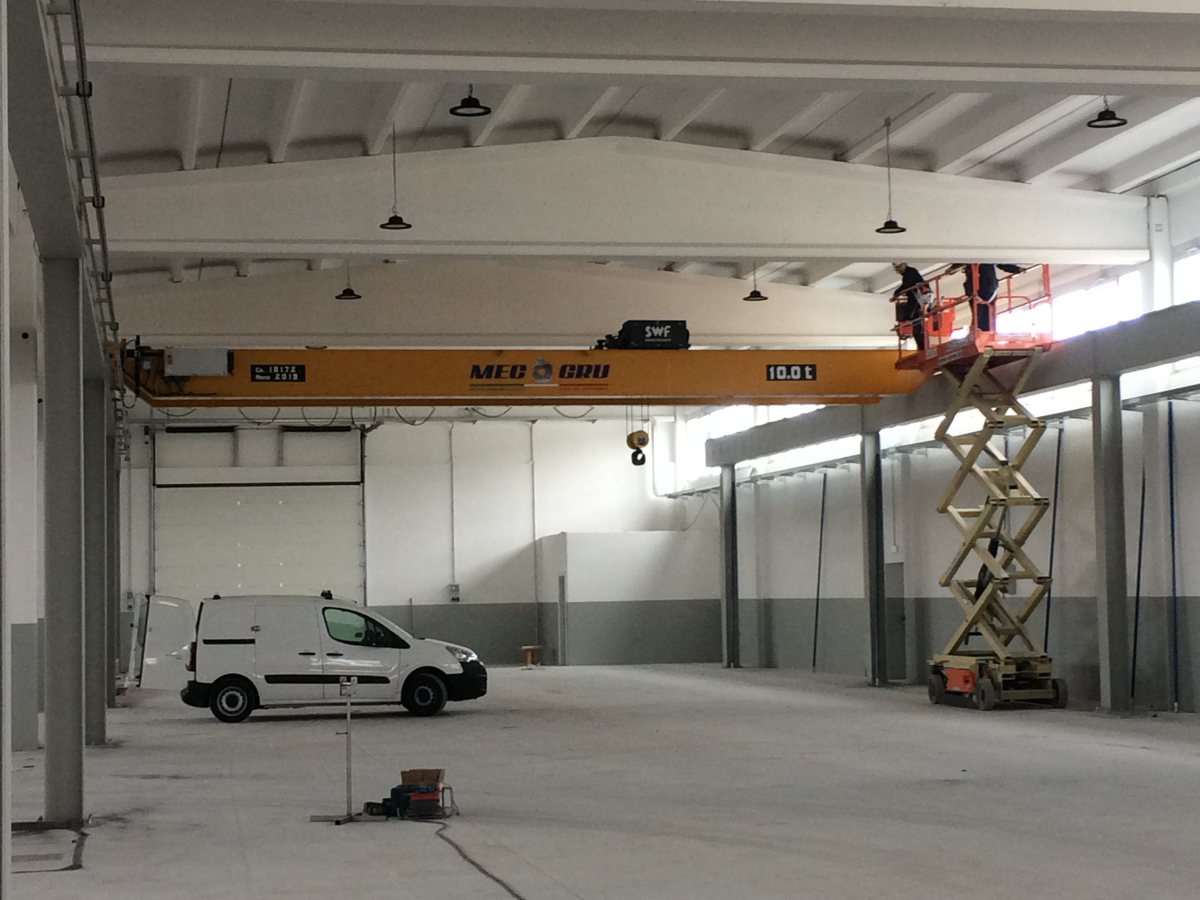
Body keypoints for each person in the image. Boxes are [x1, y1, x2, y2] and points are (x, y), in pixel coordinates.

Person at [950, 263, 1023, 331]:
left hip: (986, 289)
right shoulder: (980, 259)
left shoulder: (987, 258)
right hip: (980, 289)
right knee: (980, 315)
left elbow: (1002, 264)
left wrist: (1017, 269)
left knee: (986, 315)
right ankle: (979, 331)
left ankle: (985, 332)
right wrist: (952, 268)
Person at [891, 262, 928, 350]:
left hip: (918, 300)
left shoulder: (910, 272)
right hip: (916, 300)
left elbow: (907, 285)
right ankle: (921, 347)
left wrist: (897, 292)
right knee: (916, 325)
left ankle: (922, 347)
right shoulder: (909, 274)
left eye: (898, 268)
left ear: (904, 265)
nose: (898, 271)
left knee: (917, 325)